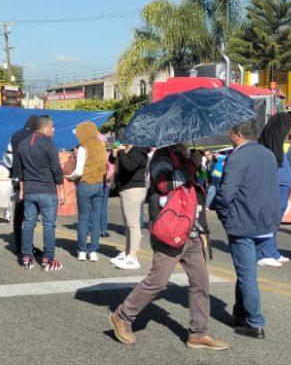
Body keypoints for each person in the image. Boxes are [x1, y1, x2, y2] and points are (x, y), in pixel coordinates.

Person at [108, 143, 227, 351]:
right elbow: (166, 185)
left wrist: (203, 231)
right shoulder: (162, 157)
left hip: (192, 231)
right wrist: (192, 164)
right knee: (158, 281)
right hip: (170, 231)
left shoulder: (183, 157)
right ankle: (122, 316)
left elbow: (195, 194)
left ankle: (198, 332)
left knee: (200, 283)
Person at [213, 120, 280, 339]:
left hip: (244, 222)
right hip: (264, 222)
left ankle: (255, 322)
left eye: (230, 133)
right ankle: (241, 313)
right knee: (247, 272)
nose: (229, 137)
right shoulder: (268, 154)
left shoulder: (238, 156)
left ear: (238, 135)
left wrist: (223, 214)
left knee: (246, 274)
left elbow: (226, 193)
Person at [12, 115, 65, 271]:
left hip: (29, 190)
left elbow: (19, 169)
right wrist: (61, 190)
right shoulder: (49, 144)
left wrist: (22, 189)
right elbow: (56, 169)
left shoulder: (22, 144)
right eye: (52, 127)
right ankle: (48, 260)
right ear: (45, 128)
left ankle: (27, 258)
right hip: (47, 191)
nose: (54, 130)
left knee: (28, 224)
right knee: (49, 225)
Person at [255, 113, 291, 268]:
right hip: (276, 185)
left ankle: (272, 251)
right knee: (270, 219)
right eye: (289, 127)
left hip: (283, 185)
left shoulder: (279, 146)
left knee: (276, 220)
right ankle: (264, 252)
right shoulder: (268, 147)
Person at [68, 121, 107, 262]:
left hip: (85, 184)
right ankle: (94, 251)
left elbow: (78, 171)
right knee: (96, 220)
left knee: (83, 218)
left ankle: (82, 251)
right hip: (99, 184)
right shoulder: (101, 145)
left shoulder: (83, 147)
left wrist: (69, 177)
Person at [109, 142, 148, 270]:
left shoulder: (139, 150)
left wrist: (121, 152)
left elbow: (129, 166)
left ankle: (133, 256)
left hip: (133, 189)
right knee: (128, 224)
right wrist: (114, 155)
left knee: (133, 225)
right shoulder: (130, 149)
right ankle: (127, 253)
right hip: (126, 188)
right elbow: (116, 162)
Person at [6, 116, 39, 255]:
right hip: (31, 179)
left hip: (16, 178)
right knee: (30, 216)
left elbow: (8, 155)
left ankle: (18, 245)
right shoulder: (35, 137)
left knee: (18, 214)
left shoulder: (14, 136)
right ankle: (28, 246)